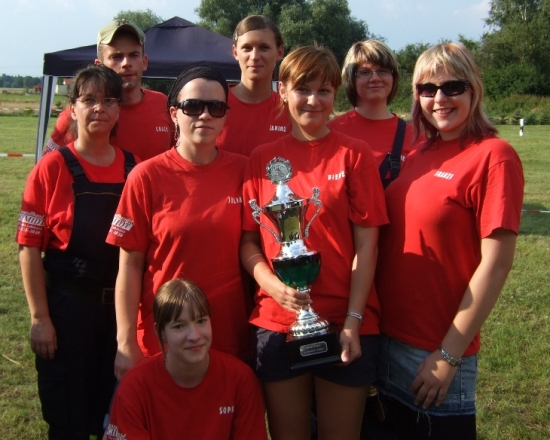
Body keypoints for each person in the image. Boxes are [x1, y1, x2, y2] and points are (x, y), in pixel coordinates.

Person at [375, 42, 524, 439]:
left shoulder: (494, 155)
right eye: (427, 88)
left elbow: (496, 264)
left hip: (433, 350)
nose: (439, 99)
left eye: (452, 87)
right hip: (383, 340)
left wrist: (447, 355)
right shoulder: (418, 151)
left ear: (473, 89)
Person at [241, 45, 388, 440]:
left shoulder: (354, 155)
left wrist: (354, 323)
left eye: (324, 91)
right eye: (303, 88)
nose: (313, 100)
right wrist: (273, 286)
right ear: (283, 91)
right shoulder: (261, 159)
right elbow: (249, 243)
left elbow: (367, 247)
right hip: (276, 321)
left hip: (346, 322)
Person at [107, 65, 252, 381]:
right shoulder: (146, 176)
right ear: (174, 113)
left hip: (227, 336)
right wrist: (125, 341)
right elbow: (129, 267)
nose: (205, 116)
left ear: (226, 115)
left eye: (215, 107)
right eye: (193, 106)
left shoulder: (245, 172)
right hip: (164, 338)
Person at [17, 64, 138, 439]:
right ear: (72, 108)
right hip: (68, 314)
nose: (99, 108)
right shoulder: (52, 167)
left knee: (115, 419)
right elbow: (28, 248)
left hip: (119, 316)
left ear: (119, 110)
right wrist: (40, 319)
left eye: (108, 101)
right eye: (88, 100)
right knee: (68, 419)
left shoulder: (134, 169)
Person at [103, 278, 268, 440]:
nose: (194, 336)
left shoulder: (240, 379)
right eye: (179, 326)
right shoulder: (134, 386)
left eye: (201, 321)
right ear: (160, 332)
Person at [45, 18, 172, 161]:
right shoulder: (79, 113)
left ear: (144, 62)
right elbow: (48, 171)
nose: (126, 63)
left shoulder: (164, 104)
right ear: (99, 65)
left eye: (133, 55)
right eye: (116, 56)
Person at [329, 39, 415, 189]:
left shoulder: (416, 136)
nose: (375, 78)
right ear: (350, 79)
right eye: (365, 72)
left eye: (383, 71)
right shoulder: (330, 132)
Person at [216, 15, 290, 157]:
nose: (255, 56)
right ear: (235, 52)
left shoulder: (289, 111)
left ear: (279, 52)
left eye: (264, 47)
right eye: (247, 48)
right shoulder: (213, 105)